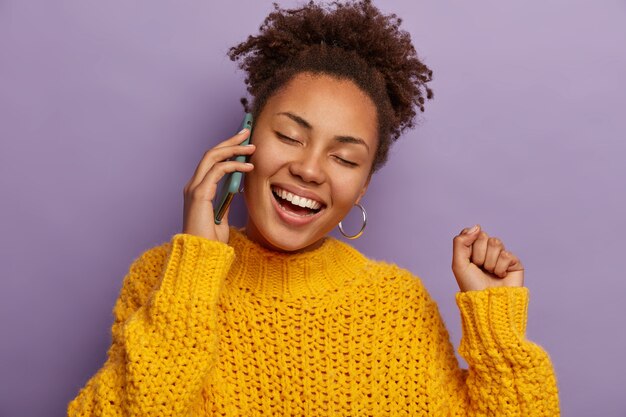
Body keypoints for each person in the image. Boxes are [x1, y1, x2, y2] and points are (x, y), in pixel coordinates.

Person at [67, 1, 560, 415]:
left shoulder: (398, 306)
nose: (310, 169)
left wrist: (499, 334)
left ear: (362, 186)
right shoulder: (163, 279)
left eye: (344, 158)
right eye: (288, 136)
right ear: (245, 140)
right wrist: (194, 268)